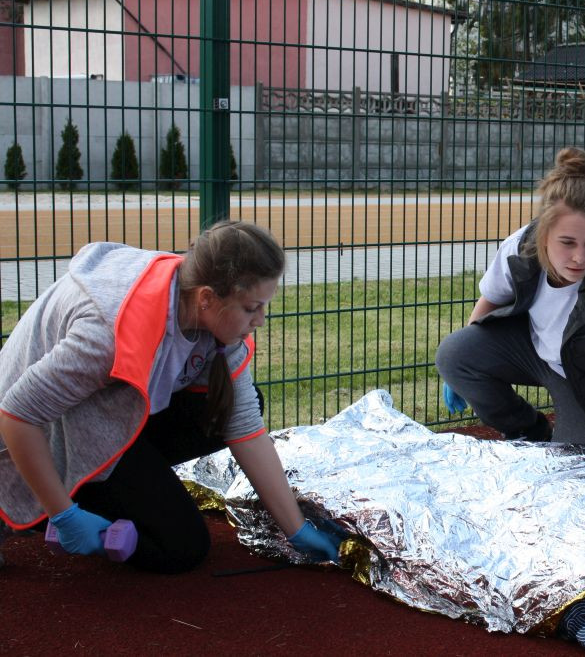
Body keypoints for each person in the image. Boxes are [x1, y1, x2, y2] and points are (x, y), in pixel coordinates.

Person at [0, 220, 342, 573]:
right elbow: (16, 415)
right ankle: (53, 505)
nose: (261, 320)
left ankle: (119, 492)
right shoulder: (106, 335)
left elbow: (245, 428)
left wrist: (296, 529)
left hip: (101, 412)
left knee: (228, 406)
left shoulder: (207, 314)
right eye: (252, 307)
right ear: (207, 297)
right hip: (33, 437)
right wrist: (63, 514)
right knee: (181, 547)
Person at [435, 147, 585, 453]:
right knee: (454, 353)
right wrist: (458, 367)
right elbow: (487, 303)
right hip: (542, 355)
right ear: (543, 233)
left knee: (575, 470)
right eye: (567, 243)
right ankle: (529, 433)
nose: (580, 257)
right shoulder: (520, 247)